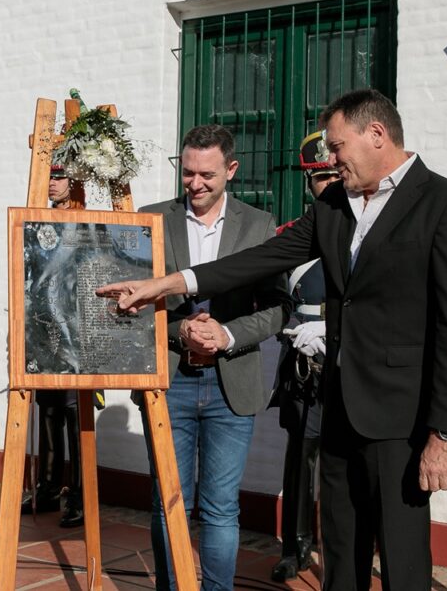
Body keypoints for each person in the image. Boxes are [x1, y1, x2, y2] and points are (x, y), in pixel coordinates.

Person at [98, 89, 447, 590]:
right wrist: (166, 284)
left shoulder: (446, 203)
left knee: (401, 556)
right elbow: (259, 260)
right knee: (340, 549)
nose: (331, 158)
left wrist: (444, 433)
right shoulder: (334, 203)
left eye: (336, 146)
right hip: (340, 405)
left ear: (376, 135)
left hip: (402, 418)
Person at [138, 125, 289, 591]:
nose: (196, 184)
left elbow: (278, 309)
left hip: (232, 384)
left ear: (231, 169)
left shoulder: (259, 225)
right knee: (172, 503)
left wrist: (226, 334)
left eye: (207, 174)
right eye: (187, 174)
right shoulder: (150, 220)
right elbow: (128, 307)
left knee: (221, 506)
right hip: (170, 381)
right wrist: (177, 329)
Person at [267, 131, 340, 581]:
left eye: (334, 173)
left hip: (354, 362)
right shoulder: (292, 239)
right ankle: (296, 547)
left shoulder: (368, 234)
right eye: (319, 177)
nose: (328, 184)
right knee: (301, 457)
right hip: (306, 364)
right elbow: (273, 304)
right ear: (308, 183)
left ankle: (344, 547)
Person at [20, 165, 89, 527]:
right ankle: (47, 487)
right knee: (47, 412)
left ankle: (78, 494)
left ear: (75, 181)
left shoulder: (85, 222)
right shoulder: (37, 221)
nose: (52, 183)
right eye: (49, 176)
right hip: (45, 327)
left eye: (59, 176)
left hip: (77, 329)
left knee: (77, 417)